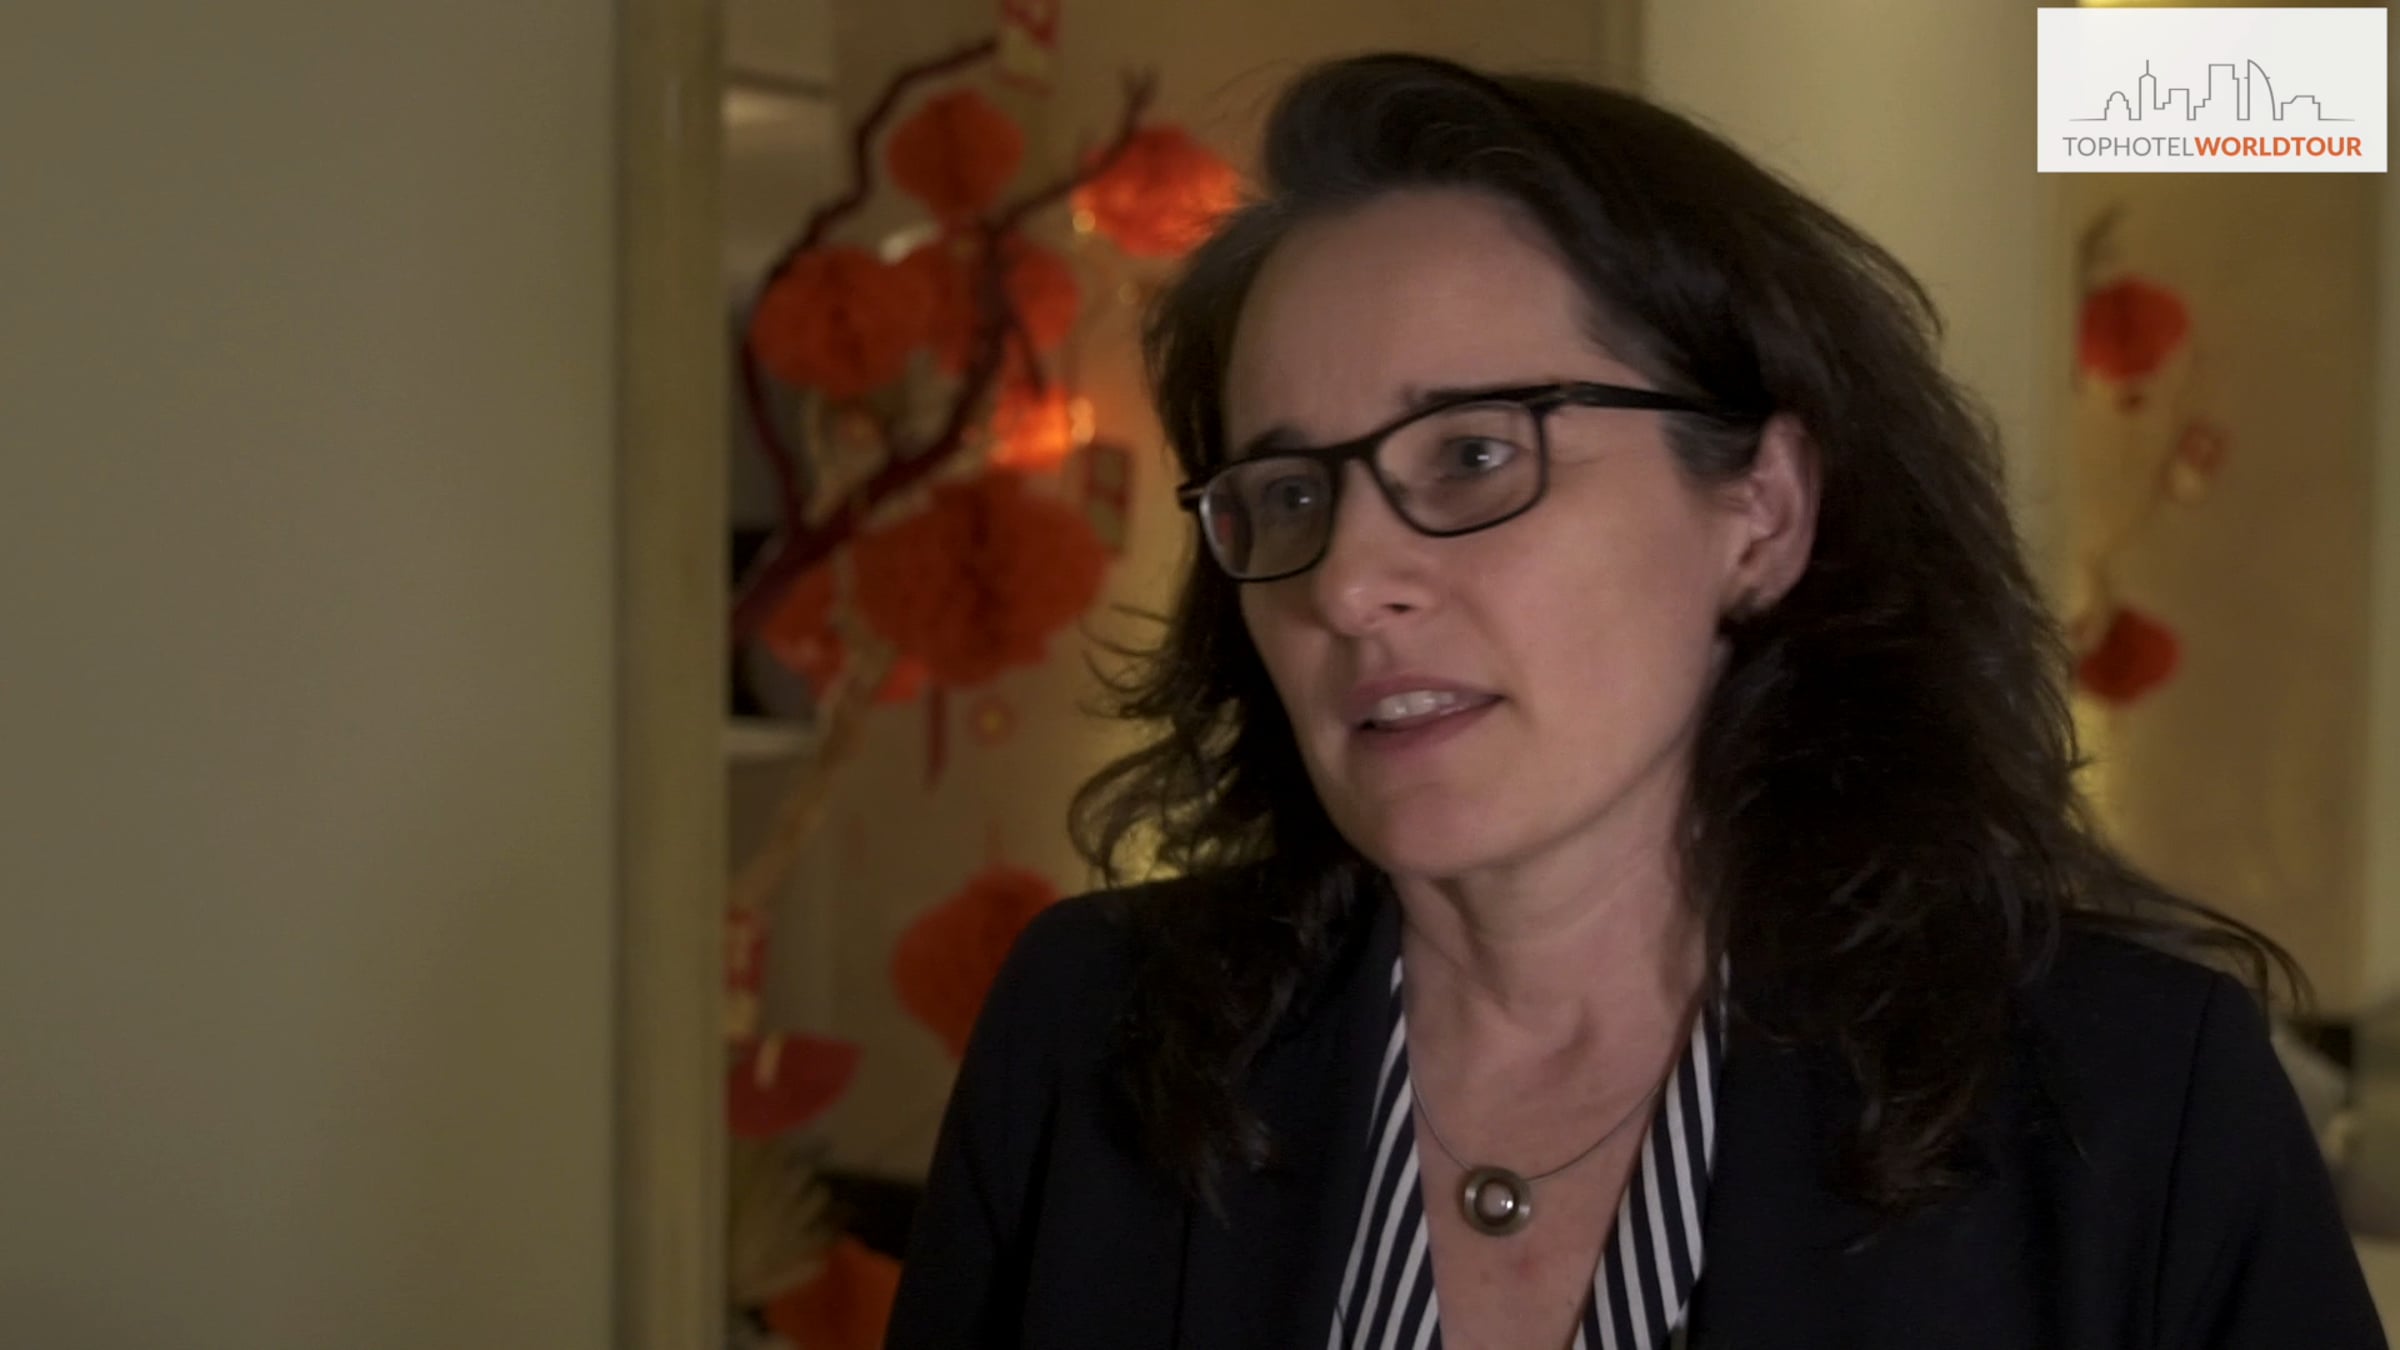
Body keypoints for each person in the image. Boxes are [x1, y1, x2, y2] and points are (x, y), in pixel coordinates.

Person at [884, 52, 2386, 1349]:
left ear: (1761, 513)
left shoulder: (2131, 1104)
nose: (1348, 583)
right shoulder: (1092, 1033)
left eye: (1474, 456)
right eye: (1288, 493)